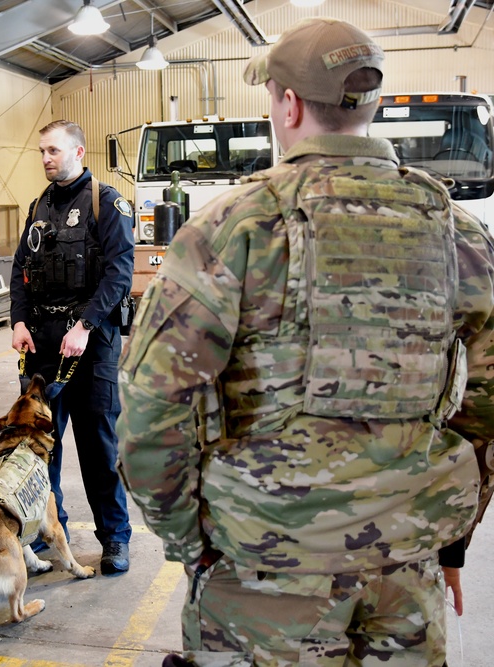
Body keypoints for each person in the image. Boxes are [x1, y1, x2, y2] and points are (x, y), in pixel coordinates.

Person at [117, 18, 494, 666]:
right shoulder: (457, 233)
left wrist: (192, 543)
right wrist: (450, 542)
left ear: (287, 104)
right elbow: (486, 400)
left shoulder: (234, 228)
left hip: (265, 572)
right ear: (369, 104)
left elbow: (152, 410)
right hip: (406, 568)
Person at [9, 120, 134, 575]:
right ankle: (49, 531)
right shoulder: (39, 205)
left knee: (99, 447)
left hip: (92, 345)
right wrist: (19, 320)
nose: (46, 158)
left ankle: (115, 539)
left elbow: (120, 274)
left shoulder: (107, 203)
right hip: (43, 347)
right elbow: (21, 269)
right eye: (42, 151)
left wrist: (84, 325)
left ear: (79, 152)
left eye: (54, 151)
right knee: (43, 448)